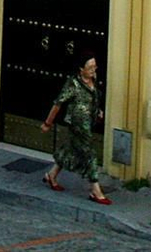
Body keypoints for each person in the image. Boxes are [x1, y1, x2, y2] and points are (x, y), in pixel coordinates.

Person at [40, 53, 111, 204]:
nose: (93, 70)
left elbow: (93, 98)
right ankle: (95, 190)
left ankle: (51, 175)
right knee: (89, 154)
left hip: (88, 123)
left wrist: (98, 111)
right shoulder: (73, 84)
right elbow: (58, 103)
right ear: (81, 69)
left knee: (71, 149)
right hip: (77, 125)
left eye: (94, 66)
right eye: (89, 67)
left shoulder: (93, 80)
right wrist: (48, 123)